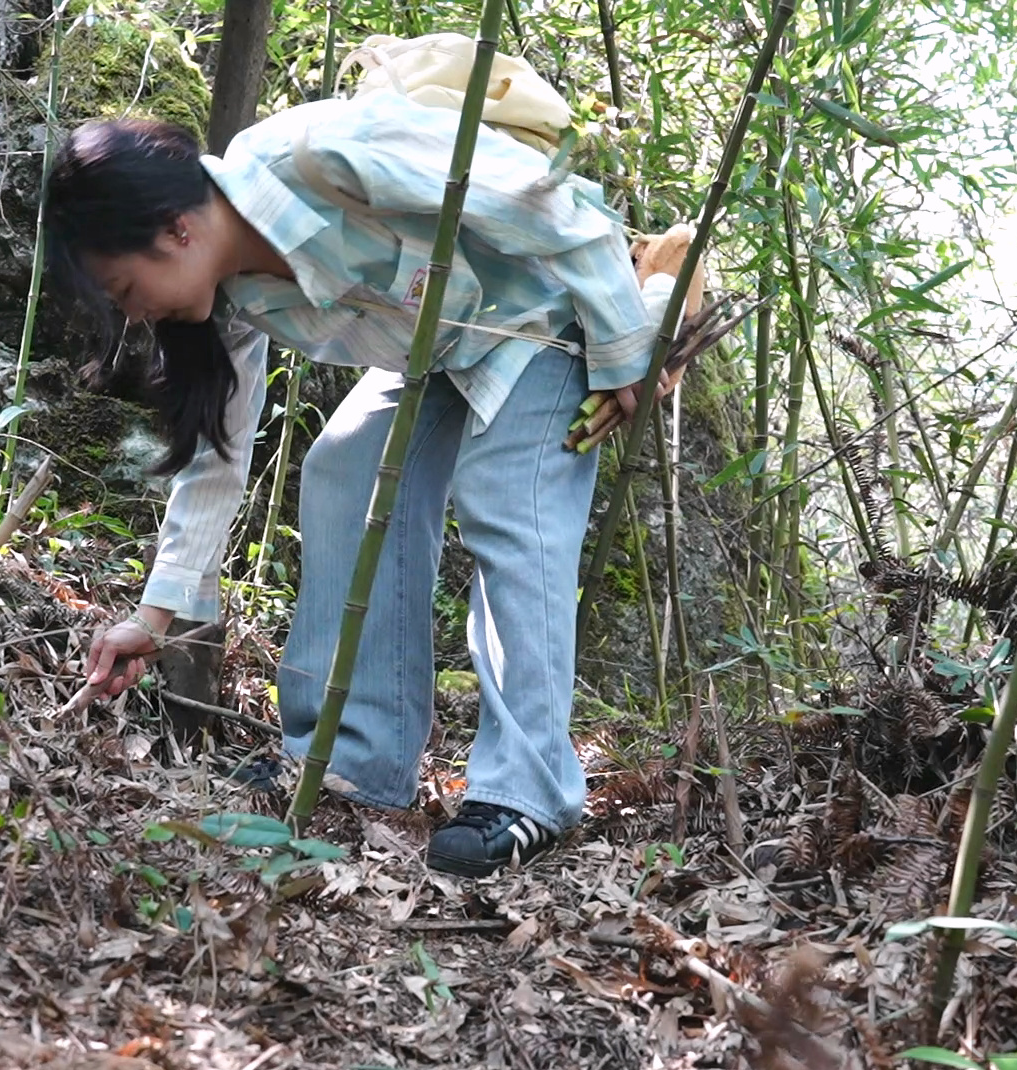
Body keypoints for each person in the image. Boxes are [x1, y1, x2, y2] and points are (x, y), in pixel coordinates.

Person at [50, 86, 687, 878]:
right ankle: (355, 759)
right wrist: (156, 614)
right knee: (345, 470)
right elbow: (219, 452)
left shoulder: (321, 152)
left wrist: (630, 352)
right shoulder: (235, 294)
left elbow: (557, 206)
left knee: (508, 504)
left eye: (124, 291)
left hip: (546, 317)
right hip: (441, 352)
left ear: (176, 231)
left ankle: (527, 796)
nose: (135, 313)